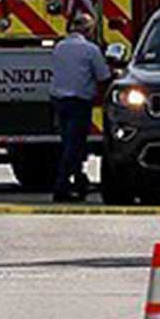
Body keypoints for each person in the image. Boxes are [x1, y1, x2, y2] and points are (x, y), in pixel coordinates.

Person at [50, 13, 111, 202]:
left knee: (68, 143)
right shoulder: (90, 50)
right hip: (79, 102)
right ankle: (61, 186)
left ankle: (78, 182)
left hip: (59, 101)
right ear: (87, 30)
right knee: (74, 146)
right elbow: (103, 76)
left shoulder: (59, 48)